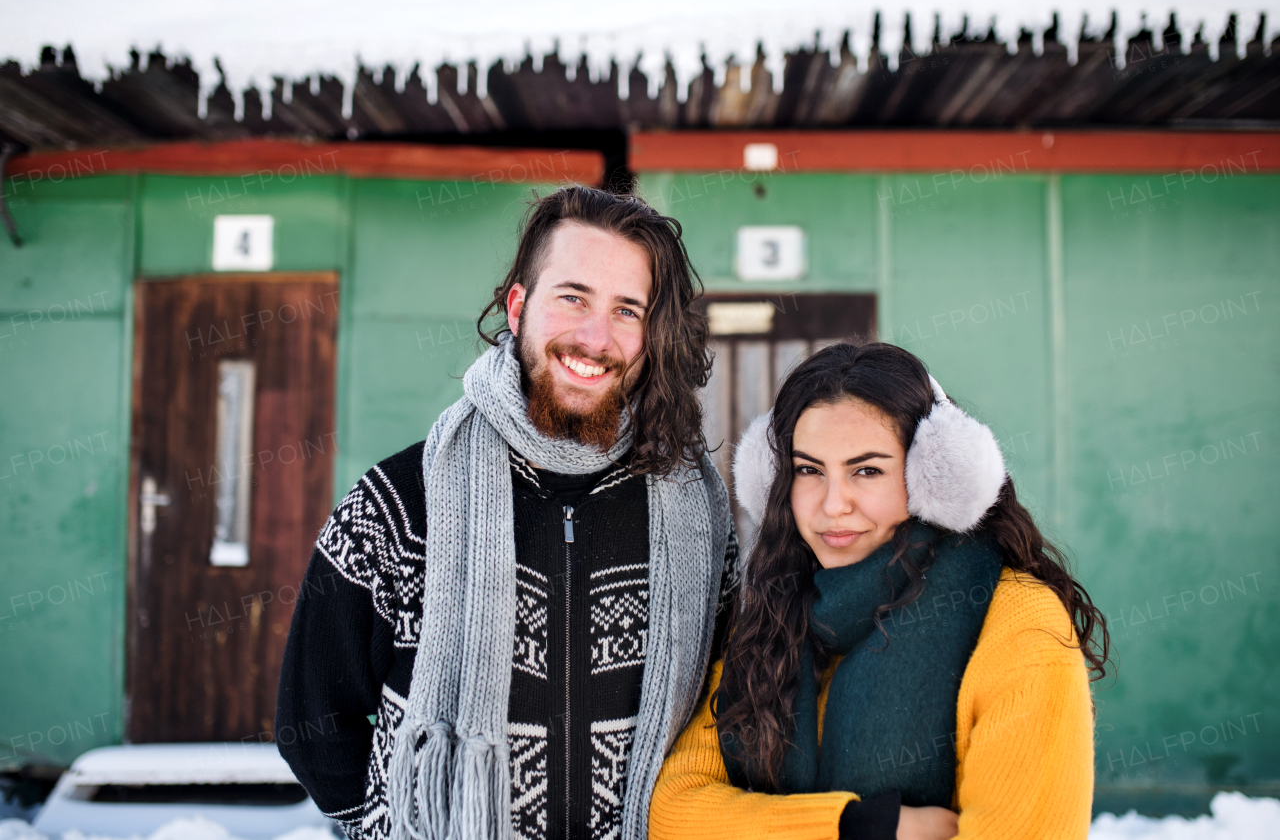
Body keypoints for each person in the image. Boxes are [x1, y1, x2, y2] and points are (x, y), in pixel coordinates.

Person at [276, 186, 739, 840]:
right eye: (572, 297)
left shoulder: (697, 515)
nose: (595, 336)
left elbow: (717, 716)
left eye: (626, 310)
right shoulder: (400, 503)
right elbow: (312, 718)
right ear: (518, 307)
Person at [649, 341, 1110, 840]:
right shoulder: (774, 618)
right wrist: (857, 827)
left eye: (867, 470)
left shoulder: (1019, 624)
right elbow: (675, 814)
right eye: (808, 470)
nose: (833, 504)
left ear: (934, 478)